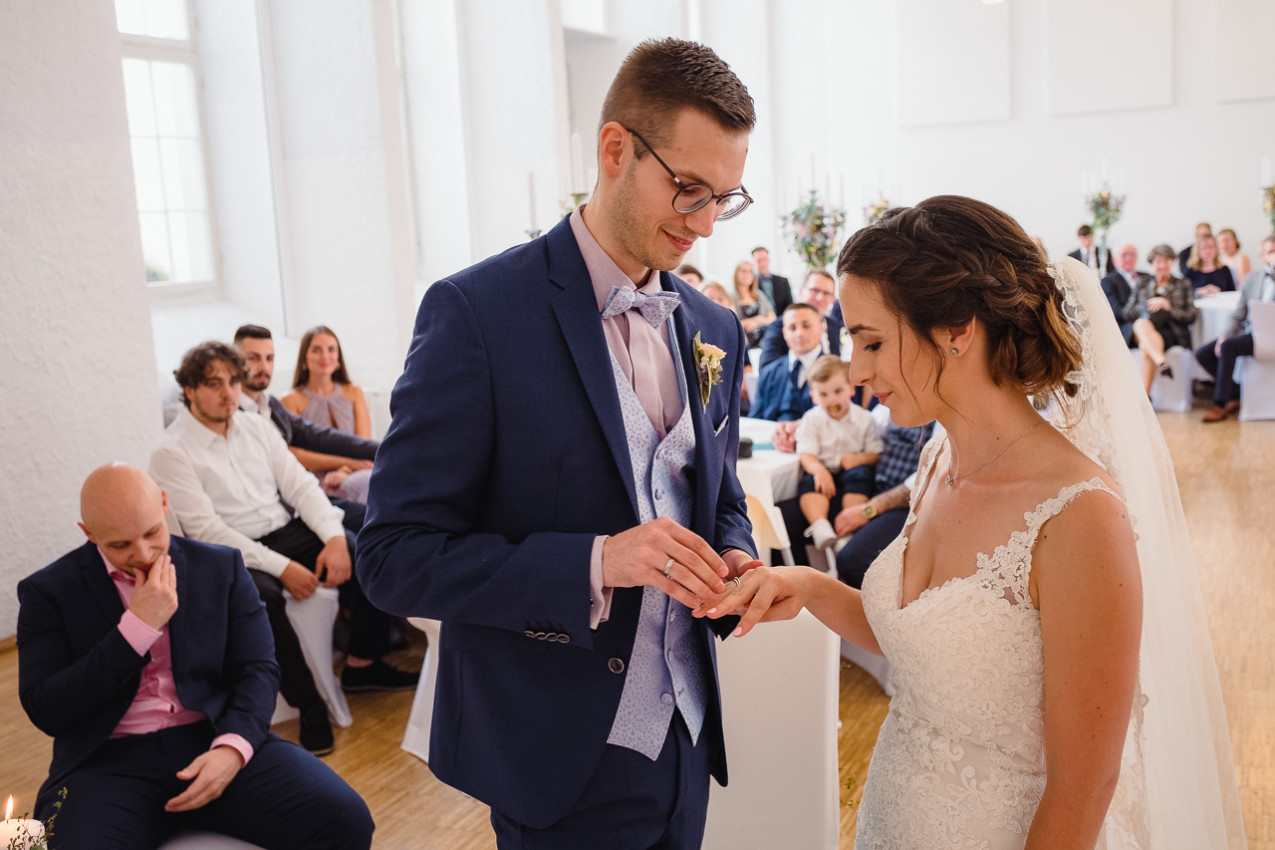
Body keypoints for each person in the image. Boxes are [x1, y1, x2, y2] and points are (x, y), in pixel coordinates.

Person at [698, 195, 1245, 848]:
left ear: (957, 328)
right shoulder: (936, 458)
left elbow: (1082, 790)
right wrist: (810, 588)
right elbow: (926, 644)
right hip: (893, 815)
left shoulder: (1078, 517)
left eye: (871, 341)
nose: (860, 370)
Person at [356, 38, 759, 848]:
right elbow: (393, 557)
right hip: (553, 750)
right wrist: (595, 562)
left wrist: (736, 553)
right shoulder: (476, 314)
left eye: (725, 197)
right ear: (614, 150)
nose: (706, 226)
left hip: (685, 735)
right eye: (687, 190)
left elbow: (718, 494)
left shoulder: (714, 328)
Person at [16, 464, 373, 850]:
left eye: (153, 532)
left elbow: (258, 670)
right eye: (120, 545)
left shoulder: (221, 567)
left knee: (345, 819)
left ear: (165, 505)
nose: (143, 554)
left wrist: (232, 749)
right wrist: (136, 629)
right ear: (88, 533)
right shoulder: (48, 592)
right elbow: (47, 708)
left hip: (212, 736)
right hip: (104, 761)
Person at [150, 342, 417, 756]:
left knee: (364, 549)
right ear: (188, 389)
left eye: (234, 382)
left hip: (283, 528)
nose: (228, 393)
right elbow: (207, 530)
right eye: (213, 384)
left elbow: (300, 485)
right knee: (265, 599)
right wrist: (284, 567)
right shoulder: (171, 451)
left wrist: (331, 538)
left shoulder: (256, 426)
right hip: (230, 550)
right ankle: (308, 705)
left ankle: (364, 662)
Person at [234, 324, 378, 523]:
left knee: (378, 520)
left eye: (270, 359)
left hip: (305, 497)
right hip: (280, 508)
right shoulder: (233, 415)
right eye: (253, 358)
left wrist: (383, 449)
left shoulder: (271, 405)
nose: (264, 367)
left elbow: (319, 436)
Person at [831, 410, 936, 589]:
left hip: (910, 503)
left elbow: (929, 477)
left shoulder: (942, 418)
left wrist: (868, 510)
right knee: (790, 516)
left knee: (852, 560)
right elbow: (862, 429)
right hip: (875, 486)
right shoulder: (889, 406)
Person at [795, 356, 882, 550]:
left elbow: (876, 453)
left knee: (861, 475)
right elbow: (806, 454)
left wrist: (858, 458)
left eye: (837, 391)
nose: (832, 399)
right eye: (823, 394)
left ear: (851, 389)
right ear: (814, 397)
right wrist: (818, 471)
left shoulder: (864, 419)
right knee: (809, 481)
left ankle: (848, 529)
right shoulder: (811, 419)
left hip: (851, 470)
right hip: (824, 470)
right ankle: (820, 526)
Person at [280, 327, 374, 502]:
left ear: (338, 357)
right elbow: (296, 455)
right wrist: (345, 465)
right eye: (316, 350)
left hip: (357, 469)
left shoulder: (354, 392)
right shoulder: (291, 400)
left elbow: (363, 443)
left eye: (331, 349)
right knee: (369, 483)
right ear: (304, 359)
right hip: (318, 478)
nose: (325, 356)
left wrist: (345, 470)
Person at [1195, 233, 1275, 422]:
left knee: (1228, 347)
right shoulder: (1252, 279)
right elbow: (1238, 313)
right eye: (1270, 251)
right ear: (1262, 256)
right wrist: (1223, 336)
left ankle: (1220, 403)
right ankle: (1235, 393)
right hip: (1252, 334)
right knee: (1205, 353)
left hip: (1272, 335)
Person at [1128, 244, 1197, 394]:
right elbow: (1128, 312)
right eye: (1158, 262)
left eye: (1166, 261)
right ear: (1152, 264)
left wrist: (1168, 307)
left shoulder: (1183, 284)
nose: (1162, 266)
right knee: (1141, 324)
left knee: (1145, 347)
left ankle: (1146, 397)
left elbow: (1191, 316)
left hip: (1170, 332)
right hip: (1143, 329)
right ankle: (1161, 361)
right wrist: (1149, 305)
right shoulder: (1143, 282)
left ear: (1172, 263)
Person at [751, 302, 824, 422]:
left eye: (806, 326)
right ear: (784, 333)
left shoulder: (837, 371)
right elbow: (755, 421)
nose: (799, 333)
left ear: (821, 327)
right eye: (792, 328)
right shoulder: (769, 373)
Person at [758, 268, 845, 368]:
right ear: (801, 291)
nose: (820, 298)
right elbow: (767, 370)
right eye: (815, 290)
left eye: (826, 293)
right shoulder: (778, 326)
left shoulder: (833, 325)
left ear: (833, 299)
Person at [1099, 243, 1145, 345]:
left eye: (1132, 255)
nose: (1129, 258)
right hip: (1127, 327)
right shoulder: (1108, 281)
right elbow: (1116, 311)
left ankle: (1160, 361)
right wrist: (1143, 314)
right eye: (1124, 255)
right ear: (1114, 260)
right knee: (1143, 326)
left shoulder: (1147, 277)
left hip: (1152, 324)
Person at [730, 259, 775, 347]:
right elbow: (733, 323)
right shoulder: (731, 296)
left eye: (751, 272)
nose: (747, 275)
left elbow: (772, 317)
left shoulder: (759, 294)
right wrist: (749, 322)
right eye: (744, 271)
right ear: (736, 274)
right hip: (744, 343)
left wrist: (758, 320)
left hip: (763, 341)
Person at [751, 246, 793, 315]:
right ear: (753, 263)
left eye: (765, 259)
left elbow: (790, 306)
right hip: (761, 322)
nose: (762, 264)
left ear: (769, 260)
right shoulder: (750, 284)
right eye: (758, 261)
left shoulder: (783, 281)